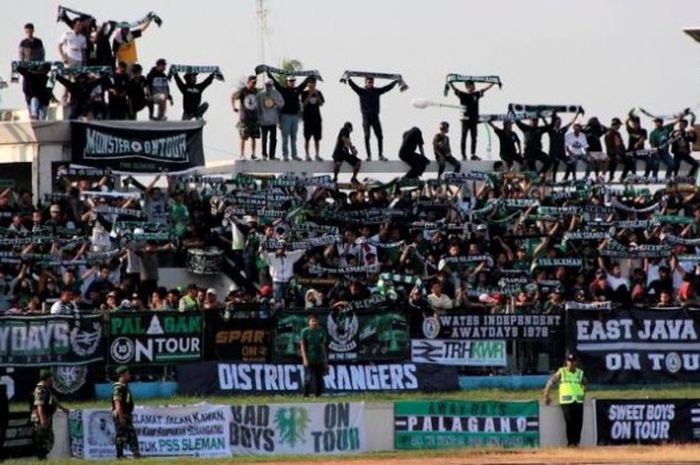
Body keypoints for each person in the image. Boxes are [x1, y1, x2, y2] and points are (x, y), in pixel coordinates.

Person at [348, 76, 399, 161]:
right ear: (365, 82)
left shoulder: (376, 91)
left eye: (371, 82)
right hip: (366, 117)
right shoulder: (362, 91)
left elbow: (386, 88)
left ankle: (380, 155)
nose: (370, 84)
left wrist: (395, 82)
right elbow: (354, 86)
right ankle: (369, 156)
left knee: (380, 136)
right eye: (369, 82)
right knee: (367, 136)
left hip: (375, 117)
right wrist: (349, 79)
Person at [544, 354, 588, 447]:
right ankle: (571, 443)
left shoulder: (579, 373)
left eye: (572, 361)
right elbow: (551, 382)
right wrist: (546, 395)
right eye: (569, 361)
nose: (571, 363)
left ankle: (576, 443)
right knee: (570, 422)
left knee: (578, 423)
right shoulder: (562, 371)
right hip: (566, 401)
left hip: (578, 401)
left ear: (576, 362)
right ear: (566, 362)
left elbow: (585, 383)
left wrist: (583, 393)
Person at [268, 72, 314, 161]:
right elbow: (276, 84)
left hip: (294, 117)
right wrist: (269, 75)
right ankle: (285, 155)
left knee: (294, 138)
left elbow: (303, 84)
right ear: (287, 82)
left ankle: (294, 155)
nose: (292, 82)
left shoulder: (296, 90)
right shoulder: (283, 90)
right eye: (290, 81)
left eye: (293, 81)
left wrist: (310, 76)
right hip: (285, 116)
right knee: (285, 137)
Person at [448, 79, 496, 160]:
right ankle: (463, 155)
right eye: (472, 85)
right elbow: (455, 89)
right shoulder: (462, 94)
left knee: (474, 137)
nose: (474, 87)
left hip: (474, 120)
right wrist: (450, 83)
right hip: (465, 120)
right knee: (464, 137)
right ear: (468, 86)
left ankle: (473, 154)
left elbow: (484, 90)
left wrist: (492, 84)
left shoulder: (476, 94)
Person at [31, 369, 68, 460]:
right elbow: (40, 406)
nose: (52, 380)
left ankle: (43, 456)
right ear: (47, 378)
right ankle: (41, 458)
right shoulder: (40, 389)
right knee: (42, 438)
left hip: (47, 417)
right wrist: (43, 420)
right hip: (40, 419)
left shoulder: (47, 389)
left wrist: (63, 409)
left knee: (49, 439)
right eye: (51, 378)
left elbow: (54, 400)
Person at [112, 366, 140, 459]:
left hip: (126, 414)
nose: (129, 375)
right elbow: (117, 403)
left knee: (130, 435)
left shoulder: (125, 387)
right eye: (127, 373)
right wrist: (121, 417)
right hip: (122, 415)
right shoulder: (118, 388)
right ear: (122, 375)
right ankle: (120, 455)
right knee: (121, 435)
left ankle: (135, 453)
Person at [232, 75, 260, 160]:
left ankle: (253, 154)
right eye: (252, 82)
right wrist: (233, 107)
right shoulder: (243, 91)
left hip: (254, 117)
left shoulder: (256, 91)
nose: (254, 84)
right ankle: (242, 154)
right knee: (243, 137)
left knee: (254, 137)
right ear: (248, 82)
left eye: (255, 82)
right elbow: (233, 96)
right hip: (245, 118)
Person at [299, 314, 328, 397]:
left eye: (315, 321)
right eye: (312, 321)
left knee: (319, 379)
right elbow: (302, 346)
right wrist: (304, 359)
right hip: (309, 358)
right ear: (309, 322)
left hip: (319, 359)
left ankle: (318, 395)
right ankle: (305, 395)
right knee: (307, 378)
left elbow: (323, 347)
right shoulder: (305, 331)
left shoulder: (321, 331)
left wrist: (325, 361)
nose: (314, 323)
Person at [256, 79, 284, 160]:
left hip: (273, 120)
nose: (268, 87)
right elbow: (256, 106)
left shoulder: (276, 93)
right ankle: (264, 155)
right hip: (263, 121)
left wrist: (276, 103)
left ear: (272, 85)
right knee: (264, 139)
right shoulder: (260, 94)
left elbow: (282, 103)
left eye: (269, 85)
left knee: (273, 139)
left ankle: (272, 155)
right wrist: (259, 117)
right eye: (266, 85)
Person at [301, 78, 325, 161]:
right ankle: (307, 155)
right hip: (307, 119)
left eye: (313, 83)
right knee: (307, 138)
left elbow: (321, 103)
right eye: (310, 83)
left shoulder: (318, 92)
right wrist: (310, 94)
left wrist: (316, 94)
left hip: (317, 119)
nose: (312, 84)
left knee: (317, 139)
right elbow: (303, 104)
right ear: (308, 84)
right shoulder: (304, 93)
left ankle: (317, 155)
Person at [605, 117, 633, 181]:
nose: (619, 127)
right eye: (618, 125)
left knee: (630, 161)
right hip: (613, 155)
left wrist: (624, 152)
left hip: (620, 154)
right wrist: (616, 154)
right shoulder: (610, 134)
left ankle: (622, 177)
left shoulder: (616, 133)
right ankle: (611, 177)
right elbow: (611, 147)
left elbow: (620, 145)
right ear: (616, 125)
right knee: (614, 161)